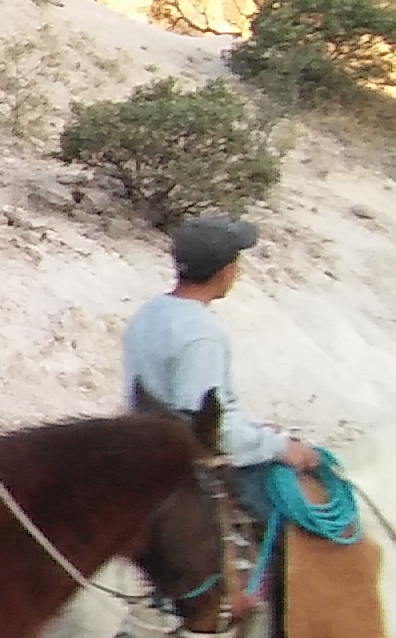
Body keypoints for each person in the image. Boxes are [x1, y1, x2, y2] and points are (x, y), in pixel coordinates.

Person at [122, 216, 317, 504]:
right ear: (227, 271)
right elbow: (207, 430)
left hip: (146, 447)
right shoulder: (201, 333)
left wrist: (256, 432)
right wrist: (280, 447)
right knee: (310, 513)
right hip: (185, 467)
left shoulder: (149, 312)